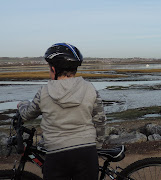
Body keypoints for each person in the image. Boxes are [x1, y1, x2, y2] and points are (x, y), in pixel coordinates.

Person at [18, 43, 106, 180]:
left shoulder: (44, 92)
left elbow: (27, 114)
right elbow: (100, 121)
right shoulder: (90, 88)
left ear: (53, 69)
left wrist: (21, 105)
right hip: (86, 152)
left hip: (56, 154)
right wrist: (97, 146)